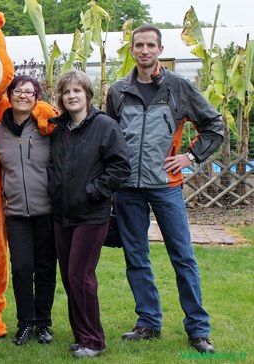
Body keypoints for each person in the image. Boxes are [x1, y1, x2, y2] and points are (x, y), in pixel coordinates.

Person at [106, 25, 224, 354]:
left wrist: (190, 155)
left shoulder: (179, 88)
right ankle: (148, 323)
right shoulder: (117, 91)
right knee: (136, 257)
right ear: (132, 50)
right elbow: (109, 137)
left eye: (150, 45)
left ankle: (198, 330)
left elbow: (214, 126)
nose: (144, 50)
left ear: (159, 49)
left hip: (166, 187)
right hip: (128, 189)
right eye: (139, 45)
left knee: (183, 257)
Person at [49, 69, 130, 358]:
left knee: (80, 275)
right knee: (70, 278)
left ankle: (94, 339)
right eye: (66, 92)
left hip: (91, 215)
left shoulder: (104, 126)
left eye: (77, 91)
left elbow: (120, 167)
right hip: (61, 216)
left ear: (88, 95)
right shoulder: (59, 130)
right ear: (60, 97)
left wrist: (93, 192)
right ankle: (81, 335)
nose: (71, 96)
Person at [0, 75, 57, 346]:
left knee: (45, 269)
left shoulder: (47, 127)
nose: (23, 96)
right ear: (9, 95)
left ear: (37, 98)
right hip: (16, 213)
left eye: (30, 93)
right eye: (18, 91)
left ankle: (43, 323)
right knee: (21, 268)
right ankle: (25, 323)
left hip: (47, 211)